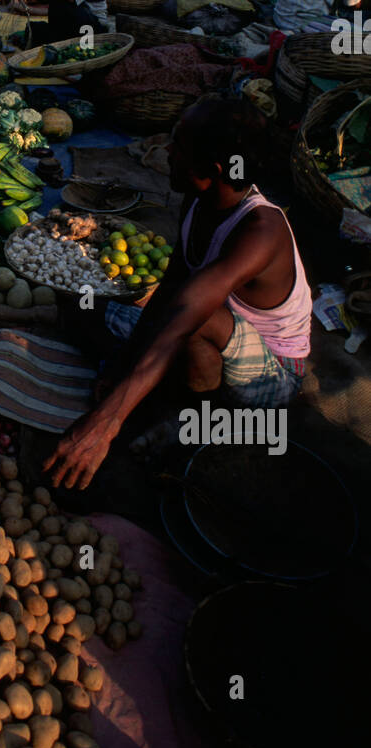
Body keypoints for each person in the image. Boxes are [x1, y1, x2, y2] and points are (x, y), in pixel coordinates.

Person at [46, 96, 312, 491]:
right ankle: (160, 394)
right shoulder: (198, 198)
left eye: (179, 146)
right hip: (202, 333)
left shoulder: (260, 231)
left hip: (271, 374)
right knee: (79, 298)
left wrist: (105, 421)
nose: (167, 153)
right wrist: (123, 366)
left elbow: (182, 317)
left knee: (195, 322)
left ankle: (196, 425)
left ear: (213, 169)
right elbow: (169, 290)